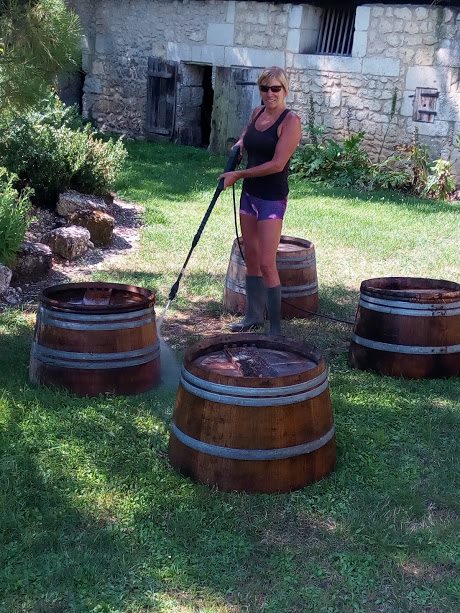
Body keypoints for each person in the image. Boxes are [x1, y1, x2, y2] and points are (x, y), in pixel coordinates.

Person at [220, 66, 302, 336]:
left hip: (271, 199)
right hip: (249, 196)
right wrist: (239, 147)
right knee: (252, 257)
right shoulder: (257, 113)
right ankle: (252, 318)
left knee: (267, 262)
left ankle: (275, 329)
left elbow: (277, 164)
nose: (269, 93)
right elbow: (246, 137)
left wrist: (239, 173)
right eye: (264, 88)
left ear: (285, 90)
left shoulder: (291, 122)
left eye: (275, 88)